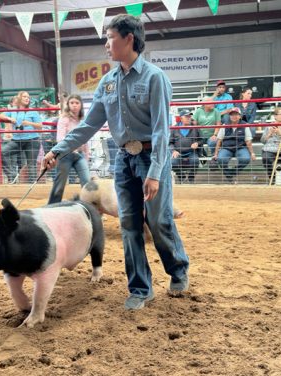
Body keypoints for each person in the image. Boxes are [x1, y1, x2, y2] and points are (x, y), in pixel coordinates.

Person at [42, 14, 189, 310]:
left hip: (151, 158)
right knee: (129, 224)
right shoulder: (107, 83)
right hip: (124, 159)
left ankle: (177, 269)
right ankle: (140, 288)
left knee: (158, 222)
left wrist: (156, 172)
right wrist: (58, 150)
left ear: (129, 39)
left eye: (110, 38)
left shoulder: (154, 78)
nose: (106, 44)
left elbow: (162, 130)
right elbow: (88, 126)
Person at [47, 94, 91, 204]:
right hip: (65, 156)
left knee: (86, 181)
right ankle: (52, 206)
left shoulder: (83, 120)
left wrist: (86, 155)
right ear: (68, 105)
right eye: (72, 103)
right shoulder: (64, 118)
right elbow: (60, 138)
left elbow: (85, 139)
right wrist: (70, 148)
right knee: (60, 184)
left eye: (77, 103)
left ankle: (91, 208)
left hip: (79, 155)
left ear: (81, 105)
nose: (74, 105)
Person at [2, 91, 43, 184]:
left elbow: (40, 126)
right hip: (16, 140)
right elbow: (0, 115)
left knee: (31, 165)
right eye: (24, 96)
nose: (27, 98)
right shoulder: (12, 110)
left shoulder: (33, 111)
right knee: (2, 152)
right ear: (19, 98)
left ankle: (32, 187)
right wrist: (9, 119)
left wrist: (29, 123)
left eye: (28, 97)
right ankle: (12, 176)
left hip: (32, 140)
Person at [212, 109, 256, 184]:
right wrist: (216, 154)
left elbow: (248, 141)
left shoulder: (245, 125)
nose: (234, 116)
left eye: (236, 114)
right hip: (226, 148)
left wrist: (252, 153)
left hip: (240, 147)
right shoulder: (225, 125)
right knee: (221, 159)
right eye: (232, 114)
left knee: (246, 159)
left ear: (240, 116)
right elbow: (219, 140)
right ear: (229, 116)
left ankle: (231, 173)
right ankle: (230, 176)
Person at [170, 110, 202, 184]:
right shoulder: (174, 128)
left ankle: (191, 178)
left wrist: (197, 143)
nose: (188, 118)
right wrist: (173, 151)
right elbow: (170, 143)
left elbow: (202, 140)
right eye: (186, 116)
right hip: (178, 152)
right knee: (173, 162)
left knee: (195, 161)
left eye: (189, 116)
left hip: (192, 152)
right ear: (181, 118)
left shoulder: (195, 128)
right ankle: (182, 177)